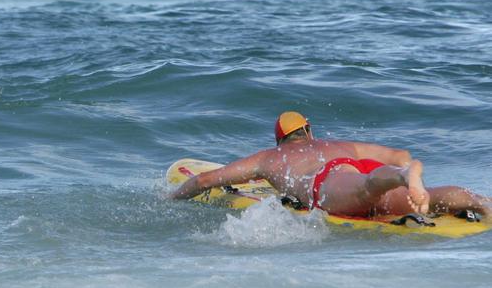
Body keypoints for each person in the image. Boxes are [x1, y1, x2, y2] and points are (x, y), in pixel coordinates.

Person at [170, 111, 490, 218]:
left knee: (367, 189)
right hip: (347, 166)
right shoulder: (334, 143)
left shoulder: (270, 158)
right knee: (426, 198)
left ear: (280, 139)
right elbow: (390, 153)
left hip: (326, 185)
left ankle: (405, 176)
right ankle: (481, 202)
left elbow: (203, 181)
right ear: (308, 130)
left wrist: (170, 199)